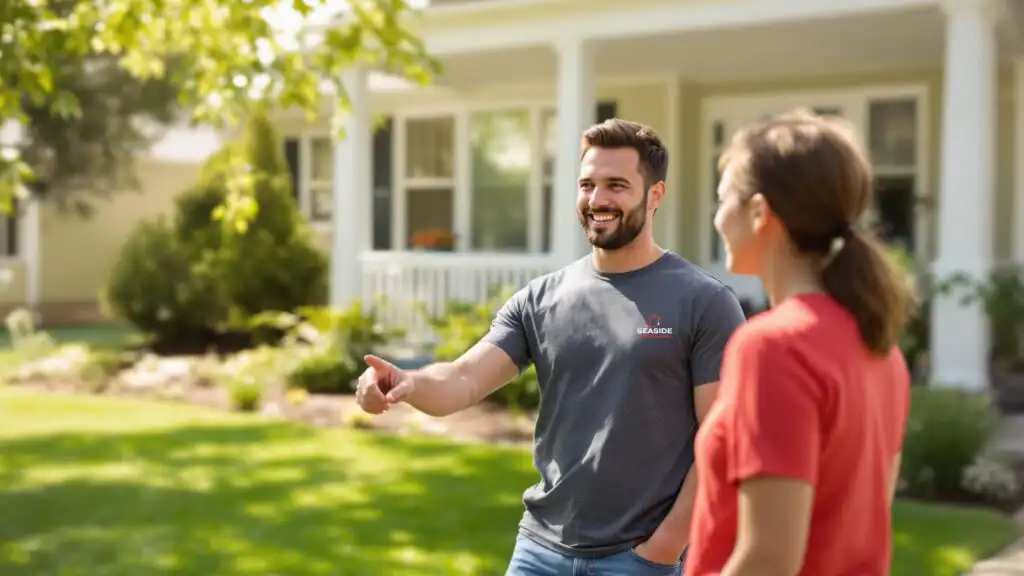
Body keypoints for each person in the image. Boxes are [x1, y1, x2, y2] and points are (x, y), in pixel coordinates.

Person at [355, 118, 747, 575]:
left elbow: (720, 438)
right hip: (540, 550)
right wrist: (407, 381)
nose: (598, 199)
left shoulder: (704, 302)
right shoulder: (542, 299)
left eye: (616, 185)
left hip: (640, 559)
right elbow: (463, 379)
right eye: (588, 185)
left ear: (655, 195)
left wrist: (666, 545)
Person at [684, 110, 915, 576]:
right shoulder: (882, 352)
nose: (718, 218)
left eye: (723, 199)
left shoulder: (773, 348)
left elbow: (767, 561)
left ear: (759, 213)